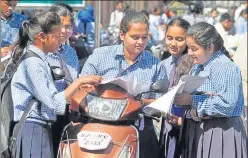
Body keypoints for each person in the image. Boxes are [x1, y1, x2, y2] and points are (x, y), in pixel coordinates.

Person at [11, 12, 102, 158]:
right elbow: (53, 101)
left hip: (39, 128)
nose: (60, 40)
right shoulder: (33, 63)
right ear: (41, 37)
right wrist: (79, 82)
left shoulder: (38, 59)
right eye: (56, 36)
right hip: (33, 128)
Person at [80, 11, 168, 158]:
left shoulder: (155, 64)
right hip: (100, 127)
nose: (140, 42)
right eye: (135, 37)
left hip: (140, 129)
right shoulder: (100, 56)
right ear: (122, 35)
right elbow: (81, 87)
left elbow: (162, 101)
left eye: (144, 37)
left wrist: (139, 102)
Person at [174, 22, 247, 158]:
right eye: (189, 48)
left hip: (221, 131)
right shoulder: (199, 65)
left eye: (194, 49)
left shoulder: (225, 67)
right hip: (201, 130)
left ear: (210, 47)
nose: (189, 53)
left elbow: (227, 105)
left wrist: (192, 99)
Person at [48, 3, 80, 156]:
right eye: (60, 25)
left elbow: (74, 81)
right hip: (45, 116)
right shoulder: (39, 51)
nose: (64, 31)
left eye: (68, 27)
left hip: (68, 115)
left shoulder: (70, 53)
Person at [159, 18, 193, 158]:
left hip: (187, 126)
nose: (173, 44)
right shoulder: (163, 64)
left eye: (179, 39)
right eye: (169, 38)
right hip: (166, 125)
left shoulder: (194, 65)